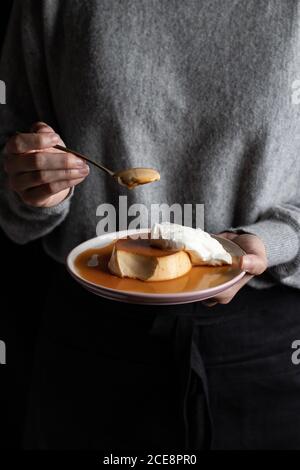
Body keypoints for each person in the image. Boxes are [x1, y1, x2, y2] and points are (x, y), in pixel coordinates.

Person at [0, 0, 300, 450]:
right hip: (90, 337)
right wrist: (33, 182)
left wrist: (271, 240)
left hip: (261, 348)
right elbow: (11, 150)